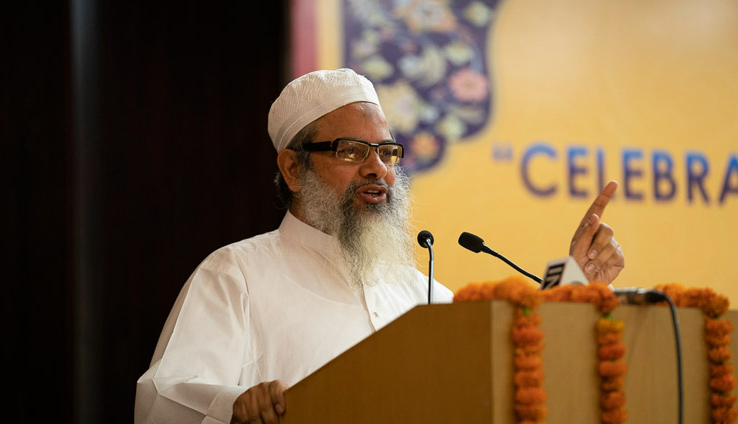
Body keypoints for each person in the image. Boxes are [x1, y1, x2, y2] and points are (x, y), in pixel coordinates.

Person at [134, 68, 624, 424]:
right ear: (292, 169)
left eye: (387, 152)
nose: (378, 169)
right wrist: (236, 406)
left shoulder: (423, 295)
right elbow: (162, 399)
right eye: (351, 150)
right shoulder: (235, 274)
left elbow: (510, 383)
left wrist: (575, 289)